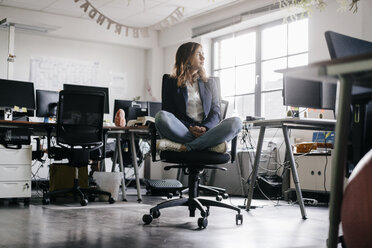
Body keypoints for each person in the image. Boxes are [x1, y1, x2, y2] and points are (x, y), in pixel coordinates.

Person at [155, 42, 242, 153]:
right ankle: (209, 144)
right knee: (160, 117)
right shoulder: (171, 82)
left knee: (237, 122)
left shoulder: (210, 83)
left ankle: (188, 147)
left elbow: (216, 113)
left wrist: (204, 128)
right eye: (198, 54)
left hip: (207, 131)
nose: (203, 57)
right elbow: (169, 113)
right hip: (184, 130)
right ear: (187, 57)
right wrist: (190, 128)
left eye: (203, 54)